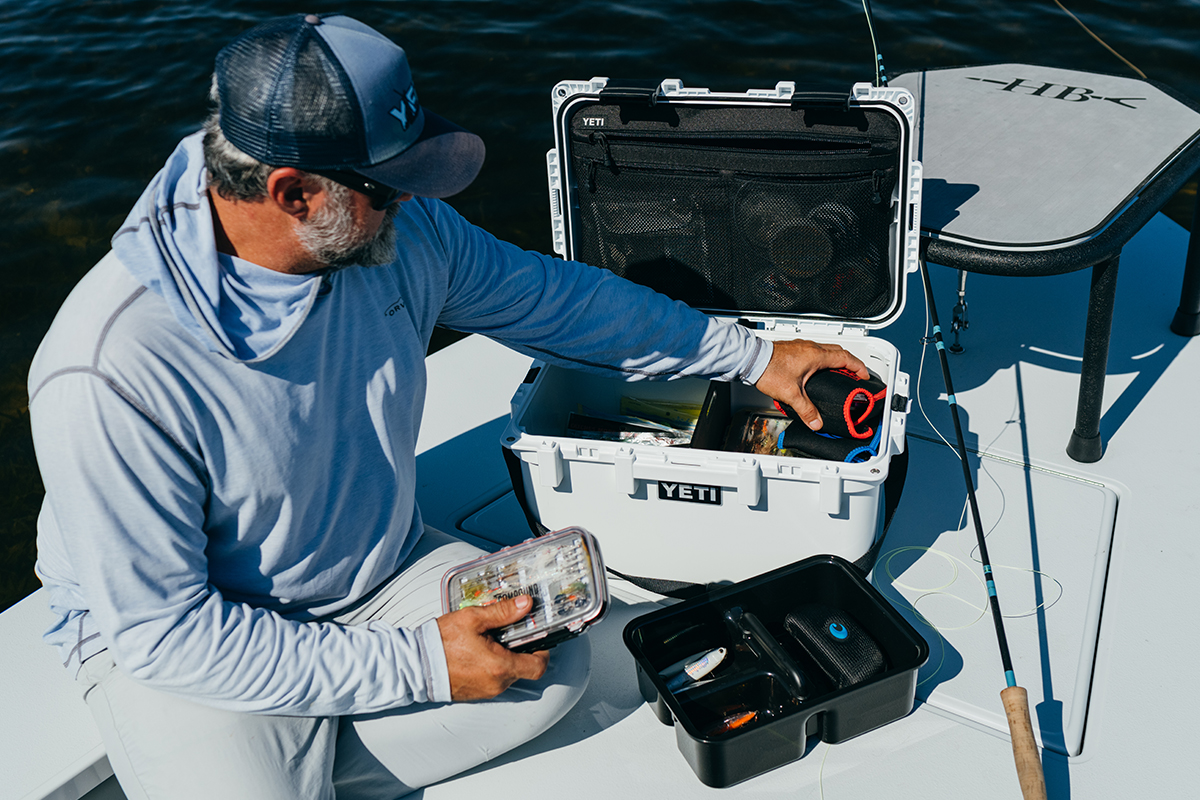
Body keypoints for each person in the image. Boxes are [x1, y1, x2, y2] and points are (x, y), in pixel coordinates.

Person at [27, 12, 869, 800]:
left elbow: (559, 302)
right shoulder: (108, 371)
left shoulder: (402, 232)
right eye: (387, 187)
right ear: (292, 192)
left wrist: (752, 356)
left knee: (560, 669)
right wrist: (421, 668)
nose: (412, 205)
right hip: (199, 644)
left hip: (371, 571)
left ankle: (311, 752)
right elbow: (167, 633)